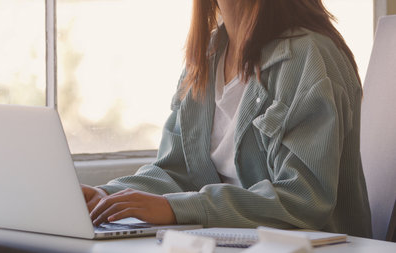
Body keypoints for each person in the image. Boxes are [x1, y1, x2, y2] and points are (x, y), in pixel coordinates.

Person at [81, 0, 372, 238]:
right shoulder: (207, 56)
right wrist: (107, 196)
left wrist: (176, 208)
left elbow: (303, 199)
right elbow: (176, 171)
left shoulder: (310, 58)